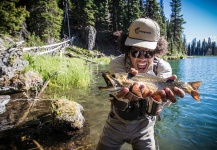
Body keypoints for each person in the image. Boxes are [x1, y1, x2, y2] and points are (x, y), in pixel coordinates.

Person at [96, 18, 185, 150]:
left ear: (156, 51)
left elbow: (165, 96)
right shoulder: (116, 63)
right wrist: (123, 94)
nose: (142, 58)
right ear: (127, 49)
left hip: (145, 127)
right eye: (135, 51)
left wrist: (162, 100)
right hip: (115, 124)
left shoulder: (163, 67)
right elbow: (118, 89)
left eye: (148, 53)